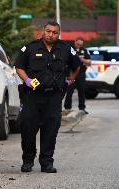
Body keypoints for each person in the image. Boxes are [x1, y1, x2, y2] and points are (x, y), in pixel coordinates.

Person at [14, 21, 80, 173]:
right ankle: (28, 160)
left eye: (55, 32)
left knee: (50, 130)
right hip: (32, 96)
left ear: (59, 33)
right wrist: (27, 80)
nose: (51, 34)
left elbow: (76, 66)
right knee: (28, 129)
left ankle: (46, 163)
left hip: (54, 97)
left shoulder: (66, 49)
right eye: (48, 31)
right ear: (43, 31)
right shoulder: (30, 47)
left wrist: (70, 80)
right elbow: (19, 67)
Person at [64, 37, 91, 114]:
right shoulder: (70, 49)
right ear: (75, 42)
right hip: (71, 72)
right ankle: (67, 108)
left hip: (81, 73)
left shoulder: (84, 51)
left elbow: (89, 62)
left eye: (80, 45)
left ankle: (82, 108)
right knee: (69, 91)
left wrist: (82, 59)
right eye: (77, 44)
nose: (78, 46)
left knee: (81, 91)